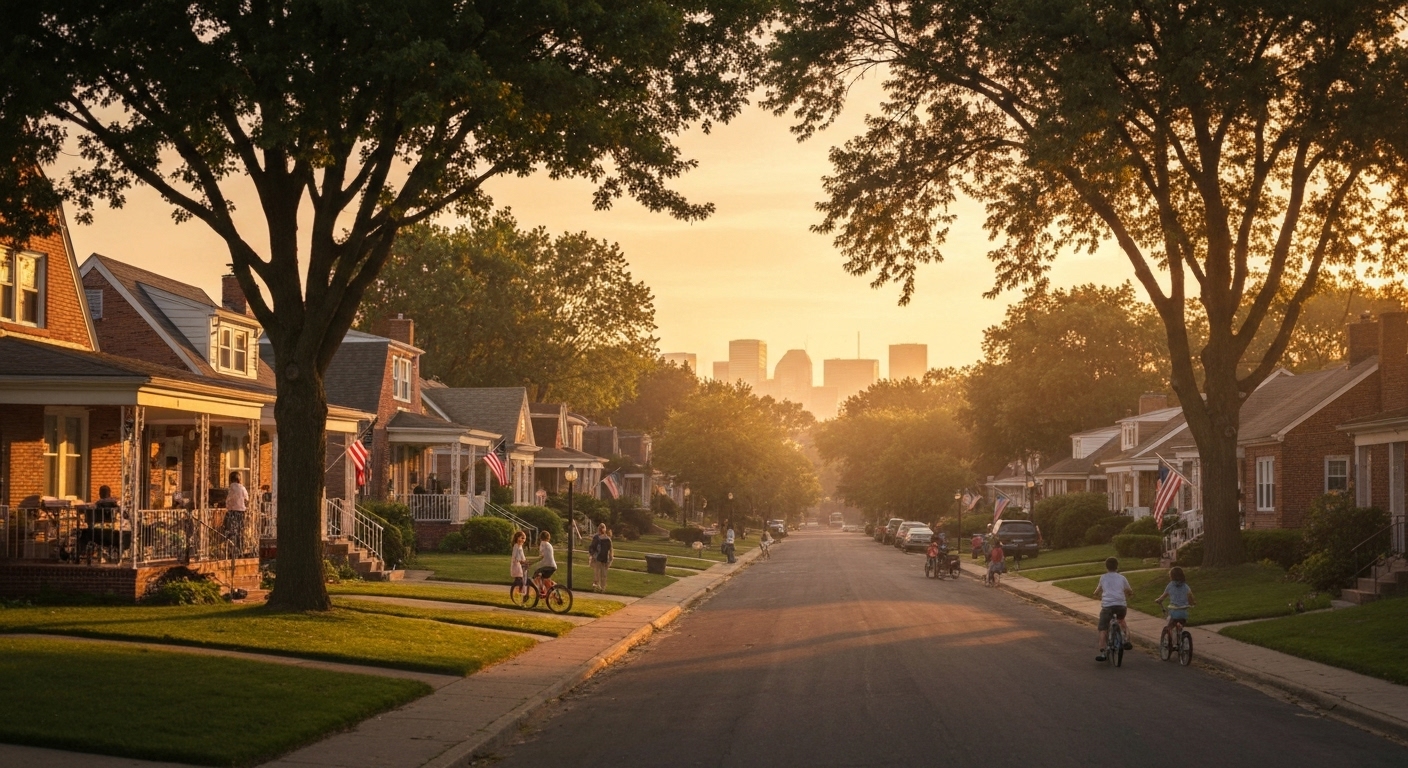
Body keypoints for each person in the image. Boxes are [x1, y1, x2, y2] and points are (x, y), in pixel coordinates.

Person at [1094, 557, 1135, 662]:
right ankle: (1126, 640)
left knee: (1103, 629)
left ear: (1106, 567)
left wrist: (1096, 594)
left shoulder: (1103, 578)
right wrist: (1128, 594)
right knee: (1121, 621)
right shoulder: (1122, 578)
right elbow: (1129, 591)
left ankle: (1102, 652)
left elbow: (1097, 590)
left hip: (1107, 606)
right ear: (1117, 566)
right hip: (1121, 606)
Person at [225, 471, 249, 550]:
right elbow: (247, 499)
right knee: (240, 530)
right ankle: (240, 548)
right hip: (241, 511)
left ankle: (230, 547)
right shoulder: (242, 487)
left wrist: (228, 506)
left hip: (232, 511)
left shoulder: (231, 487)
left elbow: (228, 499)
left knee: (229, 529)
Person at [588, 523, 612, 593]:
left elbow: (610, 549)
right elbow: (592, 547)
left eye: (603, 527)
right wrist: (593, 555)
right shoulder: (597, 538)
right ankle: (597, 587)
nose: (602, 529)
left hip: (604, 559)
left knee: (603, 575)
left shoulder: (607, 539)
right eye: (602, 527)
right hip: (598, 558)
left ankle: (602, 588)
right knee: (597, 574)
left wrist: (610, 558)